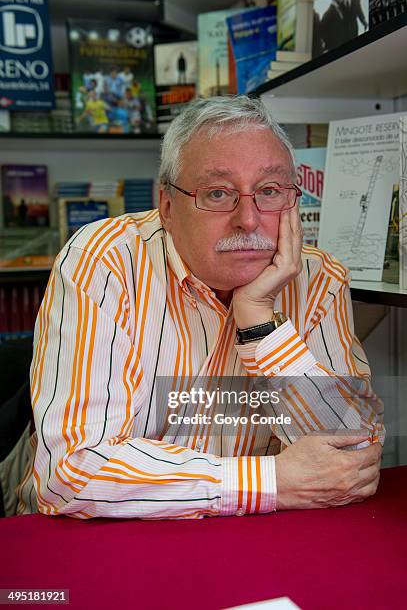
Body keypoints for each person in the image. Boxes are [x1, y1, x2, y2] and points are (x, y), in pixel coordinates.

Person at [20, 96, 383, 519]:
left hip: (258, 542)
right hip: (106, 540)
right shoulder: (103, 262)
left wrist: (261, 323)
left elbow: (353, 459)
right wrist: (271, 482)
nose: (248, 219)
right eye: (217, 193)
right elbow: (70, 475)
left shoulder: (319, 278)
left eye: (268, 190)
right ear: (168, 207)